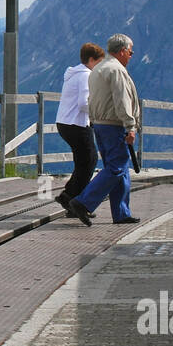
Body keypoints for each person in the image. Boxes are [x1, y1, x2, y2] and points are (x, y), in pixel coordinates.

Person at [68, 33, 142, 227]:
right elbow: (122, 100)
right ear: (123, 51)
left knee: (120, 168)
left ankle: (121, 213)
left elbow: (91, 99)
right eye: (131, 52)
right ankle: (83, 202)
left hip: (99, 124)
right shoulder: (116, 70)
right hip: (114, 124)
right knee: (117, 167)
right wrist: (130, 126)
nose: (131, 56)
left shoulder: (98, 68)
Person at [54, 42, 105, 217]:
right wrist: (99, 113)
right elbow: (84, 103)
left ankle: (71, 199)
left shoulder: (73, 74)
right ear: (91, 60)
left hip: (65, 123)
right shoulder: (85, 75)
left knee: (83, 161)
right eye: (98, 62)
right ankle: (72, 199)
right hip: (77, 123)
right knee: (89, 160)